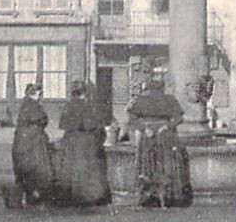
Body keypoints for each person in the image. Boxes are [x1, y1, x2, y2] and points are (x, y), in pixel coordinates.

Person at [127, 78, 192, 208]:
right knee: (166, 164)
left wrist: (144, 129)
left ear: (149, 88)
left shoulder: (141, 100)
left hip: (148, 135)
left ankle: (148, 195)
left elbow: (132, 117)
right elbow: (179, 118)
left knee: (147, 163)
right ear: (162, 88)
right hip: (166, 135)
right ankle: (168, 195)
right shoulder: (170, 99)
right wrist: (167, 126)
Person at [58, 81, 111, 207]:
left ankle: (68, 196)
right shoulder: (88, 107)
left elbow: (64, 125)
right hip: (85, 141)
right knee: (86, 168)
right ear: (84, 93)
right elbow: (94, 125)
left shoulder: (67, 106)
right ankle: (87, 196)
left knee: (69, 167)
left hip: (70, 140)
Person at [9, 83, 56, 207]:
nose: (40, 97)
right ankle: (35, 194)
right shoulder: (34, 105)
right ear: (34, 94)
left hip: (21, 140)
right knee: (38, 166)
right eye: (39, 94)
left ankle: (26, 194)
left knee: (24, 168)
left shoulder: (24, 105)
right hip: (33, 140)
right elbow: (43, 119)